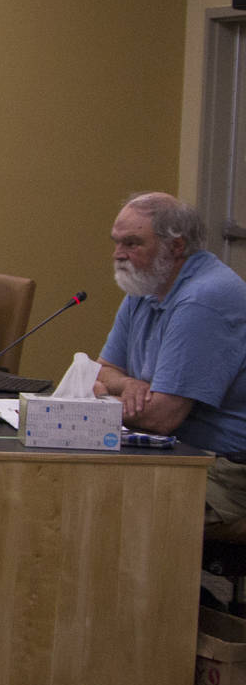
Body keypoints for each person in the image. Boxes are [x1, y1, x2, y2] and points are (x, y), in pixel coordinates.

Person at [92, 193, 246, 526]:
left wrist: (95, 402)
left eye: (132, 244)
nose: (119, 255)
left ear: (176, 247)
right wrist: (128, 384)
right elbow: (104, 370)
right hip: (177, 451)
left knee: (106, 514)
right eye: (116, 243)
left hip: (225, 469)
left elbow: (162, 417)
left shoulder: (203, 299)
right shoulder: (145, 286)